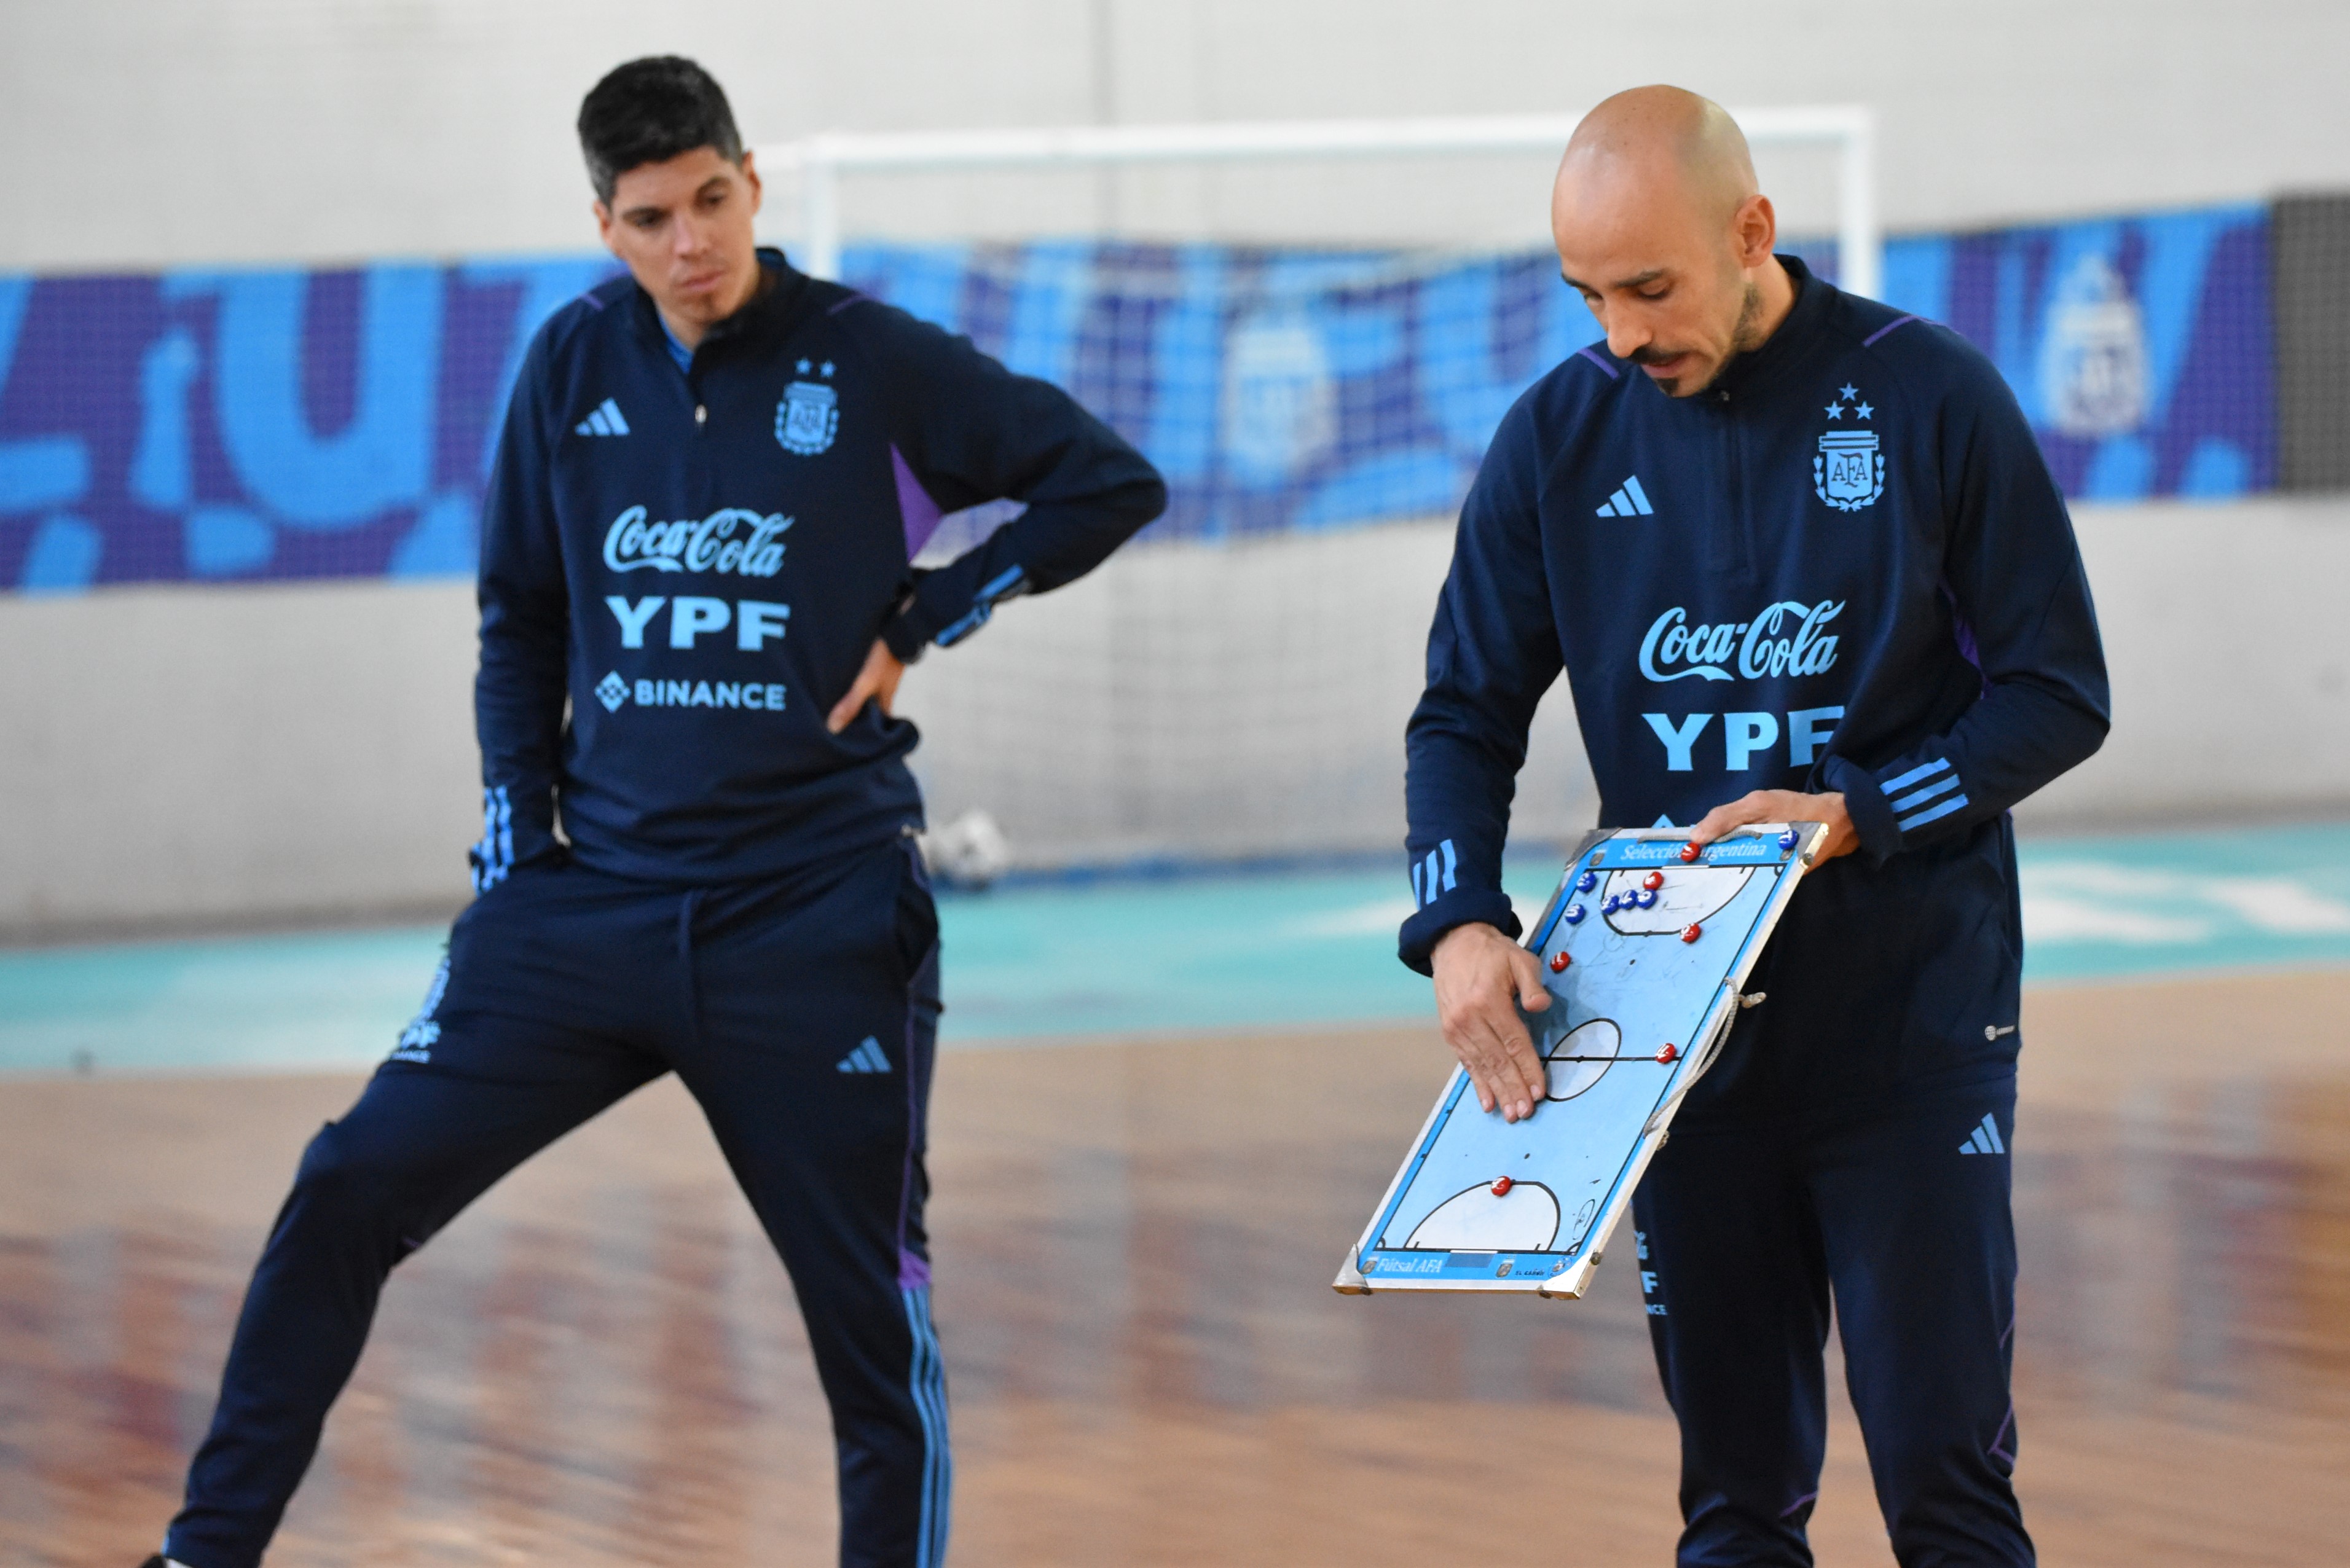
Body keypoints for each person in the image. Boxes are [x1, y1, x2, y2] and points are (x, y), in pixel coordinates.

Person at [146, 55, 1165, 1568]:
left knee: (871, 1327)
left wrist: (928, 612)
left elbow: (1106, 481)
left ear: (751, 183)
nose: (692, 242)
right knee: (346, 1185)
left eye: (711, 200)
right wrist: (517, 852)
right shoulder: (571, 366)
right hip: (589, 910)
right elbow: (519, 618)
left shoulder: (870, 360)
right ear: (604, 227)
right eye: (651, 218)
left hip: (814, 915)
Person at [1400, 85, 2107, 1566]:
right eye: (1588, 295)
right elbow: (1460, 714)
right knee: (1733, 1505)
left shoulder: (1929, 396)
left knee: (1947, 1492)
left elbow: (2057, 695)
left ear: (1751, 232)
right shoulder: (1556, 438)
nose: (1619, 334)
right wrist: (1458, 919)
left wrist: (1857, 813)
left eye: (1649, 289)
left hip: (1911, 1033)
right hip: (1675, 1048)